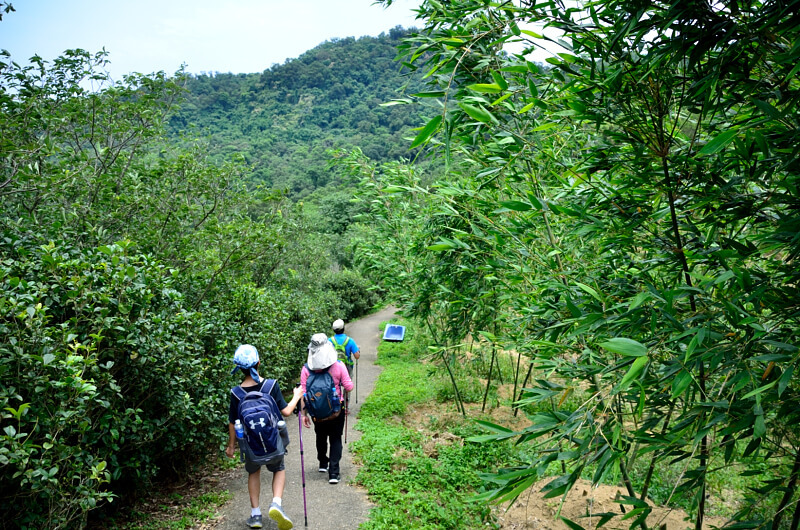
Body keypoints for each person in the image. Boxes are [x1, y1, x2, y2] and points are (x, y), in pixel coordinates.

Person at [226, 344, 302, 530]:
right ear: (259, 362)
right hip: (273, 443)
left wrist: (231, 446)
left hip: (251, 446)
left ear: (239, 368)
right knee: (279, 468)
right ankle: (276, 503)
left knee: (253, 472)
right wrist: (297, 396)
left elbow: (232, 422)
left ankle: (256, 515)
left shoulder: (236, 393)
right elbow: (286, 412)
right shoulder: (271, 386)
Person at [300, 333, 354, 484]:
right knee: (335, 438)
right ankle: (334, 473)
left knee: (320, 436)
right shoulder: (338, 366)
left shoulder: (306, 370)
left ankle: (323, 463)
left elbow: (304, 393)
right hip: (336, 411)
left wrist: (304, 414)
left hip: (316, 412)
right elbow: (349, 387)